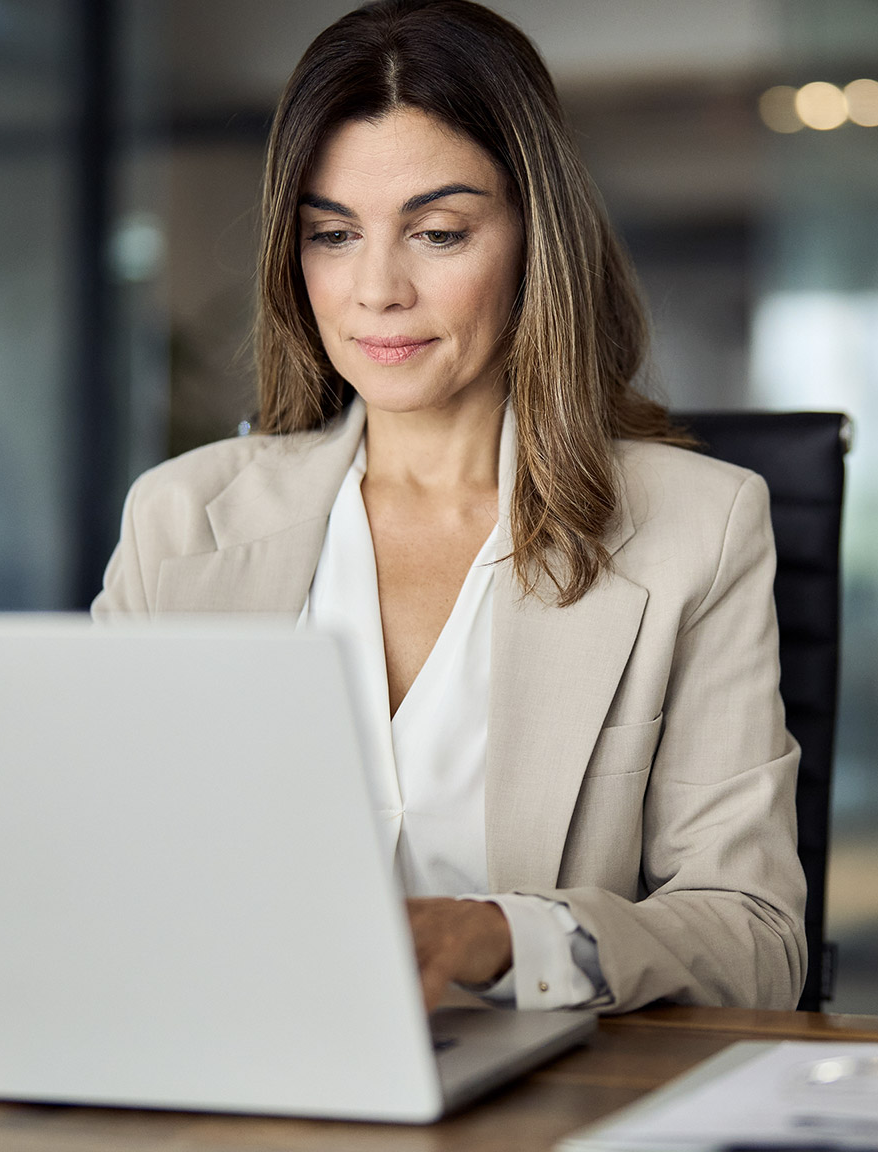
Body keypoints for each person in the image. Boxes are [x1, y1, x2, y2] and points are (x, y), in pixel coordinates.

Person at [93, 0, 804, 1014]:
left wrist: (502, 935)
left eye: (436, 232)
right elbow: (86, 861)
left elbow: (755, 941)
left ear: (531, 241)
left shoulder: (699, 527)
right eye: (332, 236)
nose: (376, 289)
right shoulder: (179, 521)